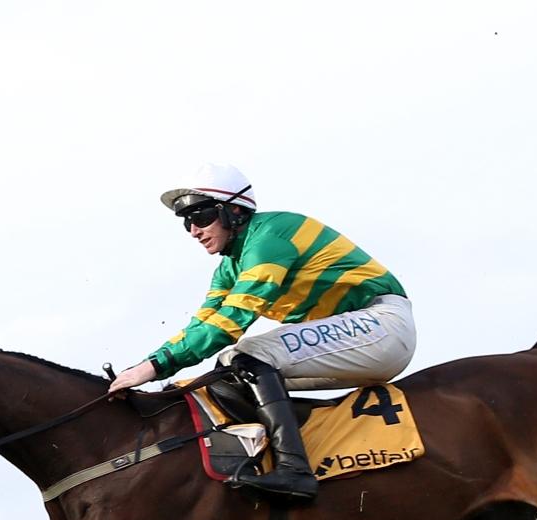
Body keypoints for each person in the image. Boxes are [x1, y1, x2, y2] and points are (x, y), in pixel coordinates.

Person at [109, 163, 416, 500]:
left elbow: (230, 323)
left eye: (201, 217)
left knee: (246, 355)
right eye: (186, 222)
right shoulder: (228, 268)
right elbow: (203, 324)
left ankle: (295, 471)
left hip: (382, 324)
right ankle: (280, 459)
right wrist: (145, 364)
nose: (194, 230)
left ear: (234, 211)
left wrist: (153, 368)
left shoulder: (270, 238)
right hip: (353, 336)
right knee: (225, 375)